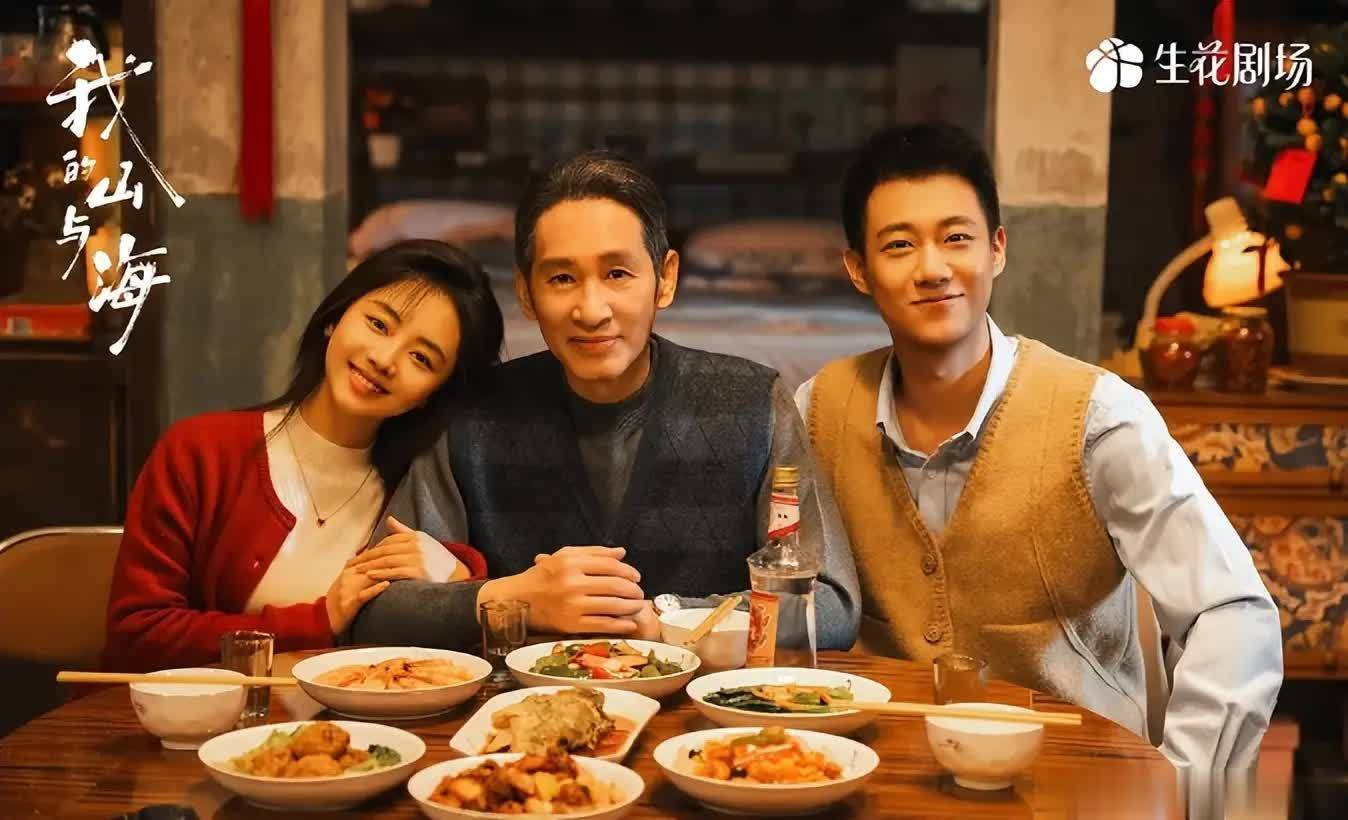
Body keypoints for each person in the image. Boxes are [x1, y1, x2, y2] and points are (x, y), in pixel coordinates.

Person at [796, 122, 1282, 770]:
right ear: (859, 269)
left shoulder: (1098, 418)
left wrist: (1182, 785)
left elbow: (1232, 611)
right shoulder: (819, 411)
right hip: (886, 773)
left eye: (957, 238)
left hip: (1078, 773)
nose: (933, 269)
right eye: (900, 245)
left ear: (997, 248)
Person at [351, 151, 860, 650]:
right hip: (517, 703)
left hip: (706, 704)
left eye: (617, 274)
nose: (591, 311)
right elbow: (376, 607)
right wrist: (515, 598)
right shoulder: (472, 414)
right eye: (561, 278)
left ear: (666, 279)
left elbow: (830, 604)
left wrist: (668, 618)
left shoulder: (752, 402)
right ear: (526, 293)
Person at [103, 240, 505, 671]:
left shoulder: (417, 492)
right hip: (195, 712)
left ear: (434, 394)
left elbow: (455, 650)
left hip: (349, 715)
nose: (385, 359)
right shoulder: (200, 451)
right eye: (378, 324)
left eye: (421, 358)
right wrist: (318, 620)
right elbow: (138, 634)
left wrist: (458, 577)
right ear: (335, 318)